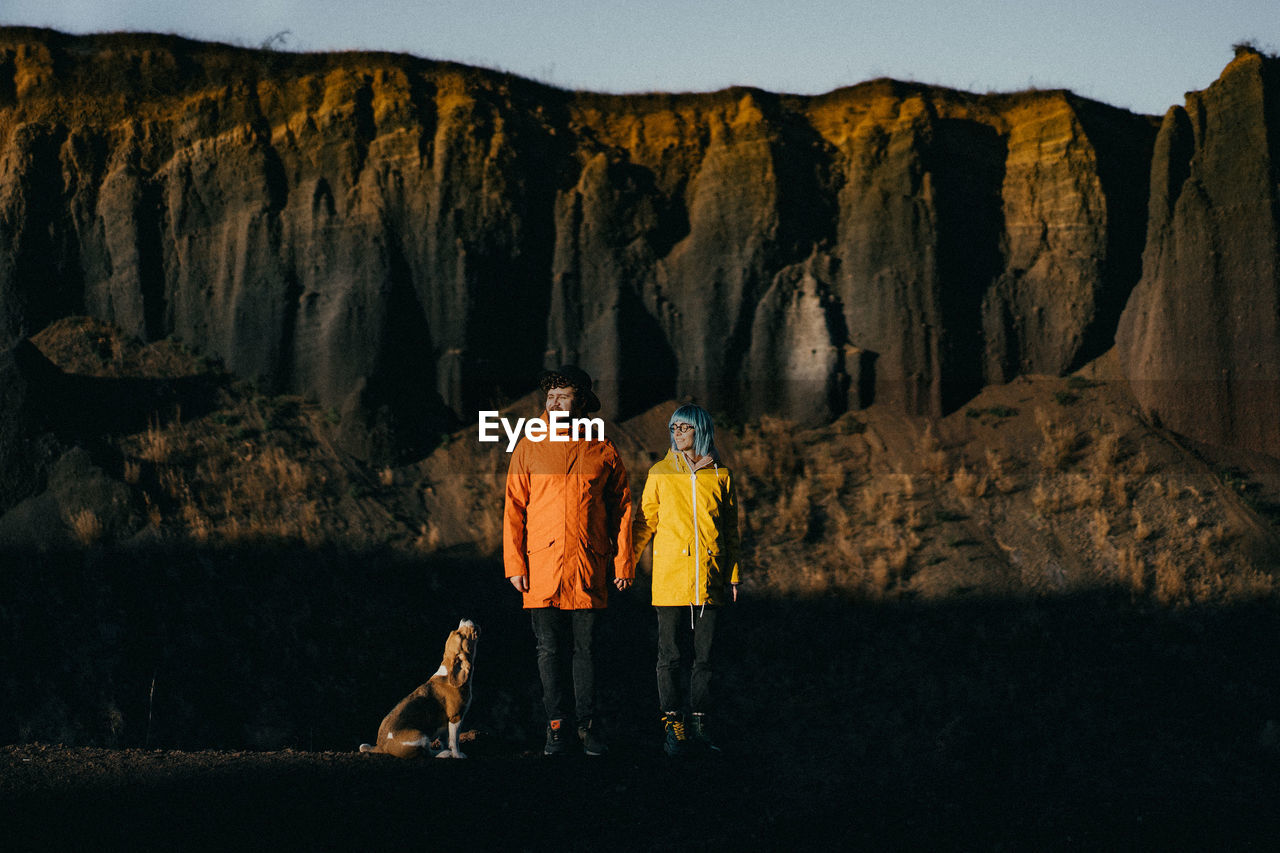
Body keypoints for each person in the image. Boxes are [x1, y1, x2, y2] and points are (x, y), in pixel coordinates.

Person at [503, 365, 634, 756]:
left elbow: (623, 508)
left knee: (587, 650)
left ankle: (588, 728)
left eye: (565, 395)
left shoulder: (603, 448)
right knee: (547, 650)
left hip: (588, 565)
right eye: (551, 396)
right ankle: (556, 727)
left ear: (582, 401)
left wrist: (624, 563)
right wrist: (514, 565)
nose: (556, 402)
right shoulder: (529, 445)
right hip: (541, 566)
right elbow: (513, 506)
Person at [632, 403, 739, 757]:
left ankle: (699, 722)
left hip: (708, 579)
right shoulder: (660, 472)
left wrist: (732, 574)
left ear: (701, 431)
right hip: (669, 579)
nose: (677, 434)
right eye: (674, 429)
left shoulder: (721, 476)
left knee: (705, 658)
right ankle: (673, 724)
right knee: (670, 656)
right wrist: (626, 564)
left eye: (684, 428)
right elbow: (645, 521)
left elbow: (730, 530)